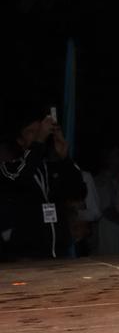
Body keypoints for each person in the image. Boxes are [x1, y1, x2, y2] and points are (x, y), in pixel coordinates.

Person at [0, 104, 85, 259]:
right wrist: (38, 142)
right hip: (25, 257)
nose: (37, 135)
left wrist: (64, 158)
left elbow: (78, 190)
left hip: (59, 254)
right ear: (20, 141)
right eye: (31, 132)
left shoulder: (52, 168)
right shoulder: (8, 168)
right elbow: (21, 179)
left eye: (39, 131)